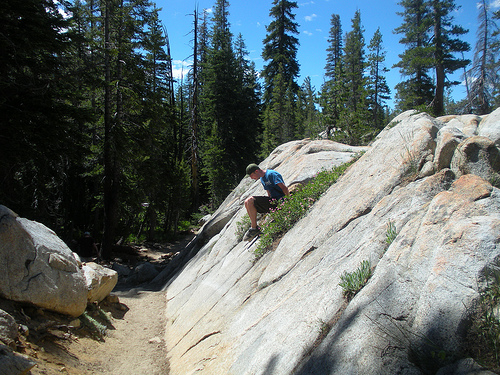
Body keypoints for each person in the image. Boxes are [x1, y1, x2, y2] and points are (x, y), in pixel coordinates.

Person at [243, 163, 290, 241]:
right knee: (246, 202)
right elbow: (269, 193)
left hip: (281, 200)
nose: (251, 178)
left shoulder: (271, 174)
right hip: (273, 202)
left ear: (256, 171)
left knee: (250, 200)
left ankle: (254, 228)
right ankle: (254, 227)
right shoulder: (262, 178)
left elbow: (284, 188)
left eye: (251, 175)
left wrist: (289, 201)